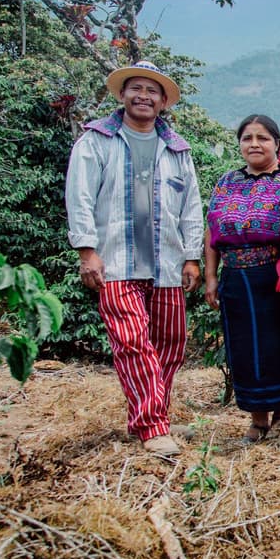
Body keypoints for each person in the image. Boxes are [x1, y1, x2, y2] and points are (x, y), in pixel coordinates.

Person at [65, 61, 202, 456]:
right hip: (117, 262)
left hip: (167, 264)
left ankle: (153, 413)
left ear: (162, 102)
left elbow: (190, 206)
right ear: (123, 95)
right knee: (133, 342)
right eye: (136, 88)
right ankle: (152, 426)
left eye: (152, 91)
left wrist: (191, 257)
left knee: (171, 342)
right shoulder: (96, 142)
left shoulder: (176, 149)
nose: (144, 96)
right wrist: (87, 251)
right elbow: (80, 197)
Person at [205, 115, 280, 442]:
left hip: (275, 276)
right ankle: (257, 418)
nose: (254, 144)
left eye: (263, 138)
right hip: (235, 279)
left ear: (277, 143)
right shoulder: (226, 181)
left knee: (279, 344)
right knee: (244, 347)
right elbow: (212, 232)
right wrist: (211, 276)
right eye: (247, 137)